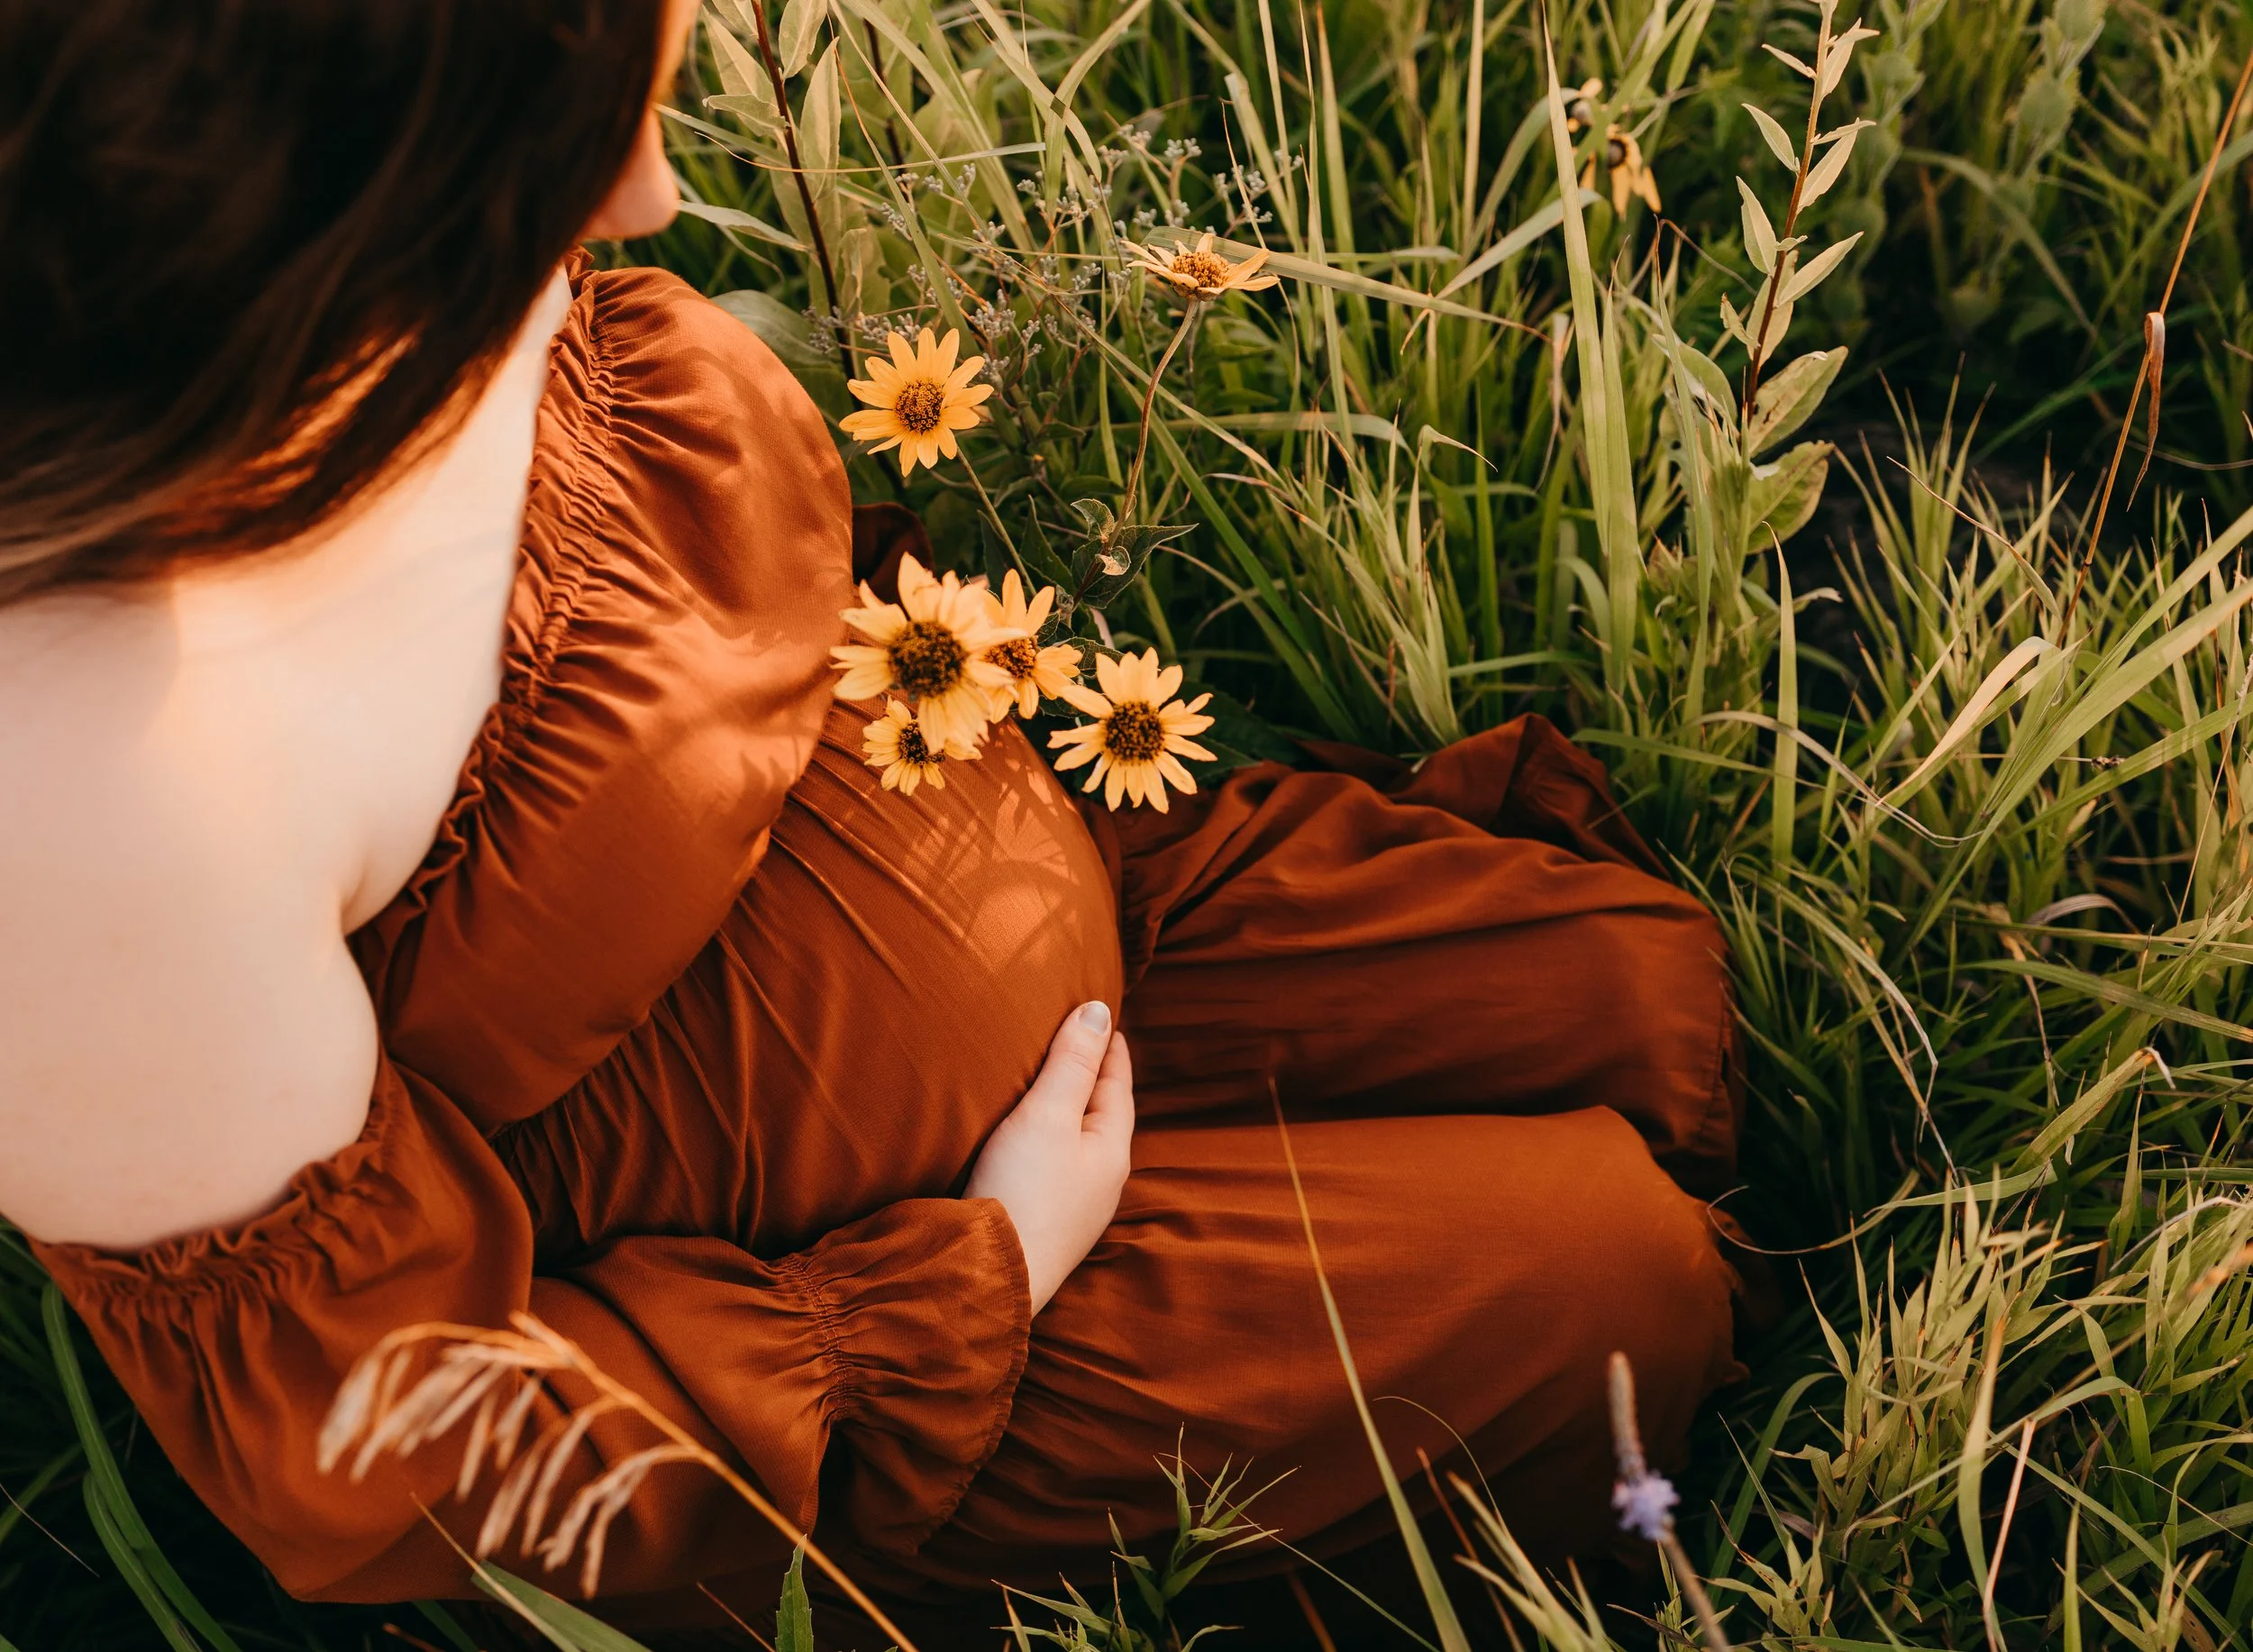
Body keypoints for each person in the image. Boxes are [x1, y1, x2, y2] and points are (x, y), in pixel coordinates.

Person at [0, 0, 1748, 1640]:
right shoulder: (89, 803)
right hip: (838, 1340)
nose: (650, 198)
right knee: (1616, 1282)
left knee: (1632, 985)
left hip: (1052, 937)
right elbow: (419, 1455)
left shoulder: (352, 227)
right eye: (556, 160)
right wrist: (940, 1293)